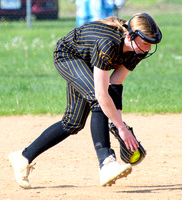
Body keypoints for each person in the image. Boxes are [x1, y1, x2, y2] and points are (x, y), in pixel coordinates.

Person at [9, 13, 162, 189]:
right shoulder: (109, 44)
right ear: (130, 36)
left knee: (72, 123)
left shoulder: (137, 51)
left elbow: (115, 84)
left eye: (152, 43)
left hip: (90, 61)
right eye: (145, 42)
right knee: (98, 101)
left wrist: (119, 125)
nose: (149, 48)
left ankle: (23, 157)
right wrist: (120, 127)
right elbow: (102, 95)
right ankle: (106, 163)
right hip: (69, 56)